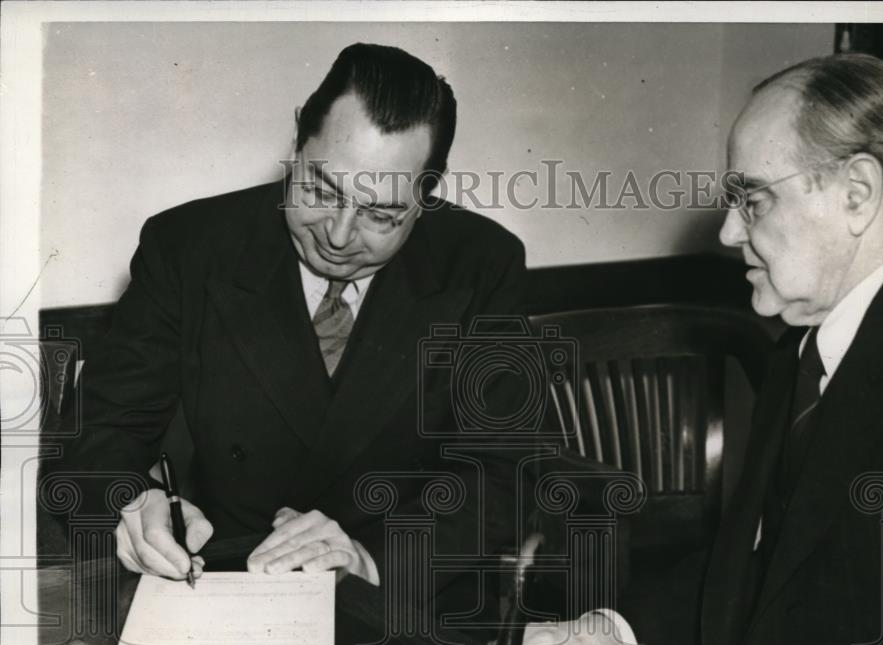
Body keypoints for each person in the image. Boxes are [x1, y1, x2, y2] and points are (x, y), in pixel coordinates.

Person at [520, 52, 883, 645]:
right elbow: (773, 569)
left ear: (857, 193)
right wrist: (610, 630)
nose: (727, 232)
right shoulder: (807, 346)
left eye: (754, 200)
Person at [49, 43, 527, 612]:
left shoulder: (481, 265)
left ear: (425, 198)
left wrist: (369, 561)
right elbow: (96, 435)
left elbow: (503, 475)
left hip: (404, 597)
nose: (338, 235)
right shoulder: (190, 248)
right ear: (298, 143)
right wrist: (128, 500)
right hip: (225, 588)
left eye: (381, 214)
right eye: (321, 189)